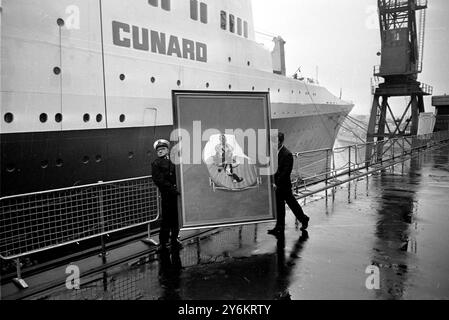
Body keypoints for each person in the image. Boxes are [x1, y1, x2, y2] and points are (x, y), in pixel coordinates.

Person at [268, 132, 310, 236]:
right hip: (277, 185)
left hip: (284, 186)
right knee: (280, 207)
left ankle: (304, 219)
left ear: (279, 141)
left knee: (292, 205)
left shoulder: (287, 154)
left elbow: (285, 173)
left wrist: (276, 183)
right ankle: (279, 227)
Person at [152, 139, 183, 251]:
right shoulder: (156, 163)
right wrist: (172, 188)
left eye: (162, 149)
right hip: (167, 195)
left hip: (176, 194)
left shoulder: (174, 160)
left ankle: (174, 239)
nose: (160, 151)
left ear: (167, 150)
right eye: (158, 150)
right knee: (166, 220)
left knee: (176, 219)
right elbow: (158, 180)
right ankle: (163, 244)